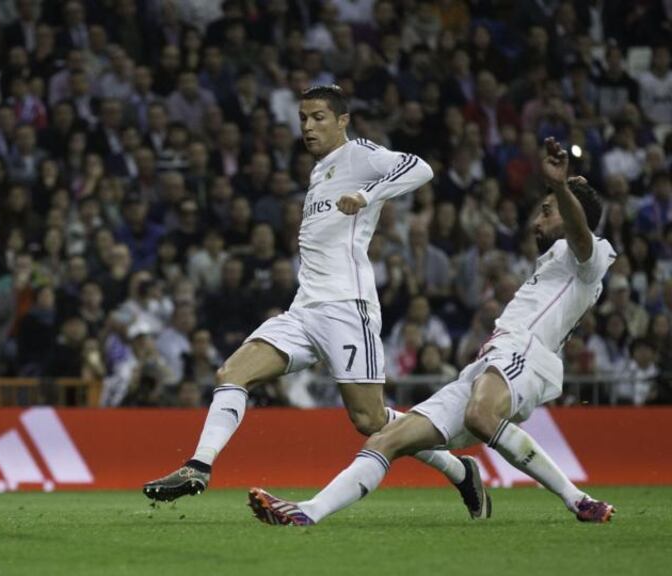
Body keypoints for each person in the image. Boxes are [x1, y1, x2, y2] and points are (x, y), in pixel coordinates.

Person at [144, 85, 487, 520]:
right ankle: (198, 467)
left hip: (348, 308)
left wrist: (367, 195)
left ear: (343, 120)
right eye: (304, 118)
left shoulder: (359, 154)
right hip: (305, 309)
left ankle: (461, 471)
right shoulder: (320, 170)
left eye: (319, 117)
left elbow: (420, 168)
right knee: (232, 372)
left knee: (370, 421)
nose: (308, 126)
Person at [247, 138, 617, 526]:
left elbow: (580, 235)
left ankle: (579, 500)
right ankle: (310, 512)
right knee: (386, 439)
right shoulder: (557, 261)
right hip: (489, 362)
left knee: (480, 415)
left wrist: (560, 187)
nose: (537, 221)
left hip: (525, 354)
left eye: (547, 212)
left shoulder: (590, 259)